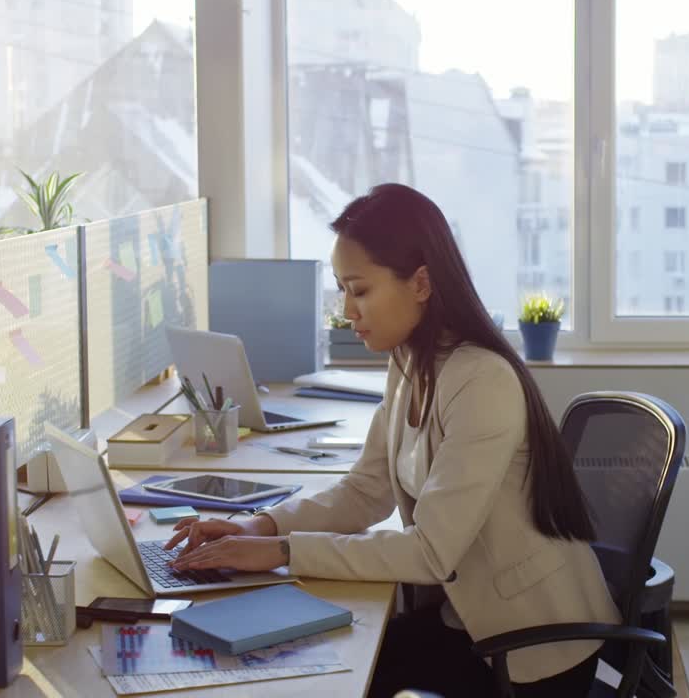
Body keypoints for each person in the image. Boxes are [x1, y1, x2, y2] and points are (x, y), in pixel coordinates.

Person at [167, 183, 619, 697]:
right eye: (342, 290)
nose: (346, 311)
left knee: (337, 673)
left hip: (529, 649)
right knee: (324, 663)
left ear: (421, 282)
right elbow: (366, 491)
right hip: (469, 619)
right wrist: (254, 526)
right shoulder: (409, 361)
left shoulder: (482, 381)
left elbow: (430, 553)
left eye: (359, 290)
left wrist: (281, 550)